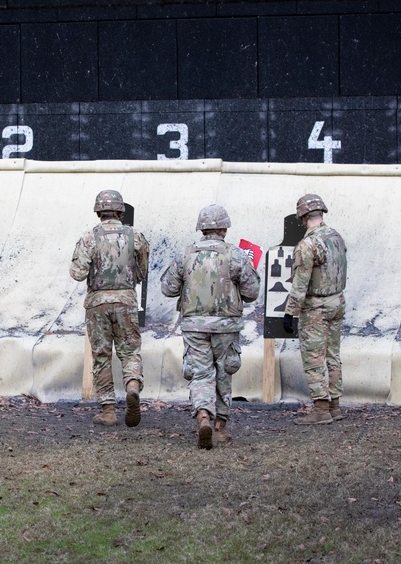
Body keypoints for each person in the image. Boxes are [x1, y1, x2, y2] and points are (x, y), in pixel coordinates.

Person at [160, 204, 260, 449]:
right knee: (224, 371)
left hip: (194, 325)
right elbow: (252, 292)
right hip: (226, 326)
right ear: (224, 228)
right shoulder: (236, 255)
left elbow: (168, 288)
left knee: (201, 373)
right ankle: (219, 427)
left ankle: (203, 415)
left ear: (201, 228)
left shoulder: (186, 254)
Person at [70, 190, 149, 427]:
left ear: (98, 212)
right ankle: (132, 385)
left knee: (102, 356)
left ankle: (108, 411)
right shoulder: (136, 236)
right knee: (130, 351)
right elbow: (142, 273)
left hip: (97, 305)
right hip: (126, 301)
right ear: (120, 211)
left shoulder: (89, 238)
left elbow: (77, 274)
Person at [282, 194, 347, 425]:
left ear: (302, 217)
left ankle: (321, 410)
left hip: (316, 307)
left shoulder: (308, 244)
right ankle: (335, 406)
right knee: (332, 355)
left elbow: (300, 283)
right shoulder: (336, 237)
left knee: (314, 357)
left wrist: (290, 312)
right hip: (337, 302)